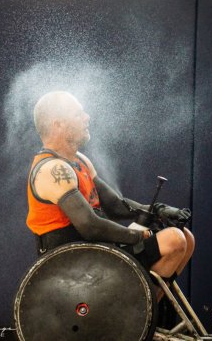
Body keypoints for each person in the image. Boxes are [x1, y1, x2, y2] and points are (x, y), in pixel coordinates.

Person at [26, 91, 194, 289]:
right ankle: (139, 315)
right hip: (73, 265)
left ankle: (146, 314)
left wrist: (157, 209)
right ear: (58, 125)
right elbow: (90, 226)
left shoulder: (79, 161)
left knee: (187, 239)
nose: (87, 117)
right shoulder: (52, 169)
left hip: (96, 251)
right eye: (78, 114)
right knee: (174, 240)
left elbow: (114, 205)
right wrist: (139, 236)